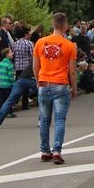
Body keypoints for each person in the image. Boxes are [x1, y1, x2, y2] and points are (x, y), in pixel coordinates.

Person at [33, 12, 77, 165]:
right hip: (60, 85)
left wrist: (38, 81)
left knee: (44, 120)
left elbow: (35, 66)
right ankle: (57, 151)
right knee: (59, 120)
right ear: (65, 26)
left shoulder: (40, 42)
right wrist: (74, 88)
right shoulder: (69, 45)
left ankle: (45, 151)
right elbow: (72, 71)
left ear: (53, 24)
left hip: (44, 84)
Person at [0, 47, 16, 114]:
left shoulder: (0, 63)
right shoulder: (9, 64)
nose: (12, 53)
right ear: (7, 55)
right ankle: (9, 112)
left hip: (2, 84)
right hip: (8, 85)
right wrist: (13, 83)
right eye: (11, 52)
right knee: (9, 99)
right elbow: (11, 76)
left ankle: (0, 111)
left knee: (2, 99)